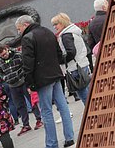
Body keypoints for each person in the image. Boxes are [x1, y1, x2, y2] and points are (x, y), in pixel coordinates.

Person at [16, 15, 75, 148]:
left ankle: (52, 143)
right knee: (63, 107)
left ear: (25, 25)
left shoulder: (27, 38)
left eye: (18, 29)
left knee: (46, 111)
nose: (18, 32)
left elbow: (28, 63)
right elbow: (59, 55)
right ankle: (69, 137)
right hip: (55, 74)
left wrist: (29, 83)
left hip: (42, 79)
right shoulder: (48, 32)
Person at [0, 46, 37, 135]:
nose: (4, 56)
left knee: (31, 101)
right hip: (12, 86)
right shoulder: (0, 62)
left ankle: (39, 119)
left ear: (7, 50)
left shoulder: (18, 56)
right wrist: (6, 78)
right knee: (19, 105)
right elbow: (1, 74)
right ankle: (26, 125)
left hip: (23, 82)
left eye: (5, 54)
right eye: (2, 56)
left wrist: (19, 75)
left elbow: (25, 66)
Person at [51, 14, 91, 104]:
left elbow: (70, 52)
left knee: (85, 97)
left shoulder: (66, 35)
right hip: (82, 64)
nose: (54, 27)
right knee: (88, 94)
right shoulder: (73, 32)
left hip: (75, 68)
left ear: (62, 23)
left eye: (56, 24)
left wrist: (60, 60)